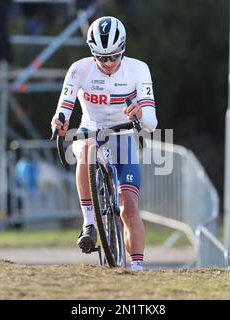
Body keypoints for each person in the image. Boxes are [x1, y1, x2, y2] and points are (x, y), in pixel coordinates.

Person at [50, 16, 157, 271]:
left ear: (123, 50)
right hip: (91, 130)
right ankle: (89, 223)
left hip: (122, 137)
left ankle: (138, 269)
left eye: (114, 57)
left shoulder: (138, 69)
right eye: (101, 57)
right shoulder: (80, 69)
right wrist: (59, 121)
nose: (108, 63)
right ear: (92, 54)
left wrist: (139, 112)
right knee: (85, 148)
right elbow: (63, 109)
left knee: (129, 208)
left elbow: (151, 124)